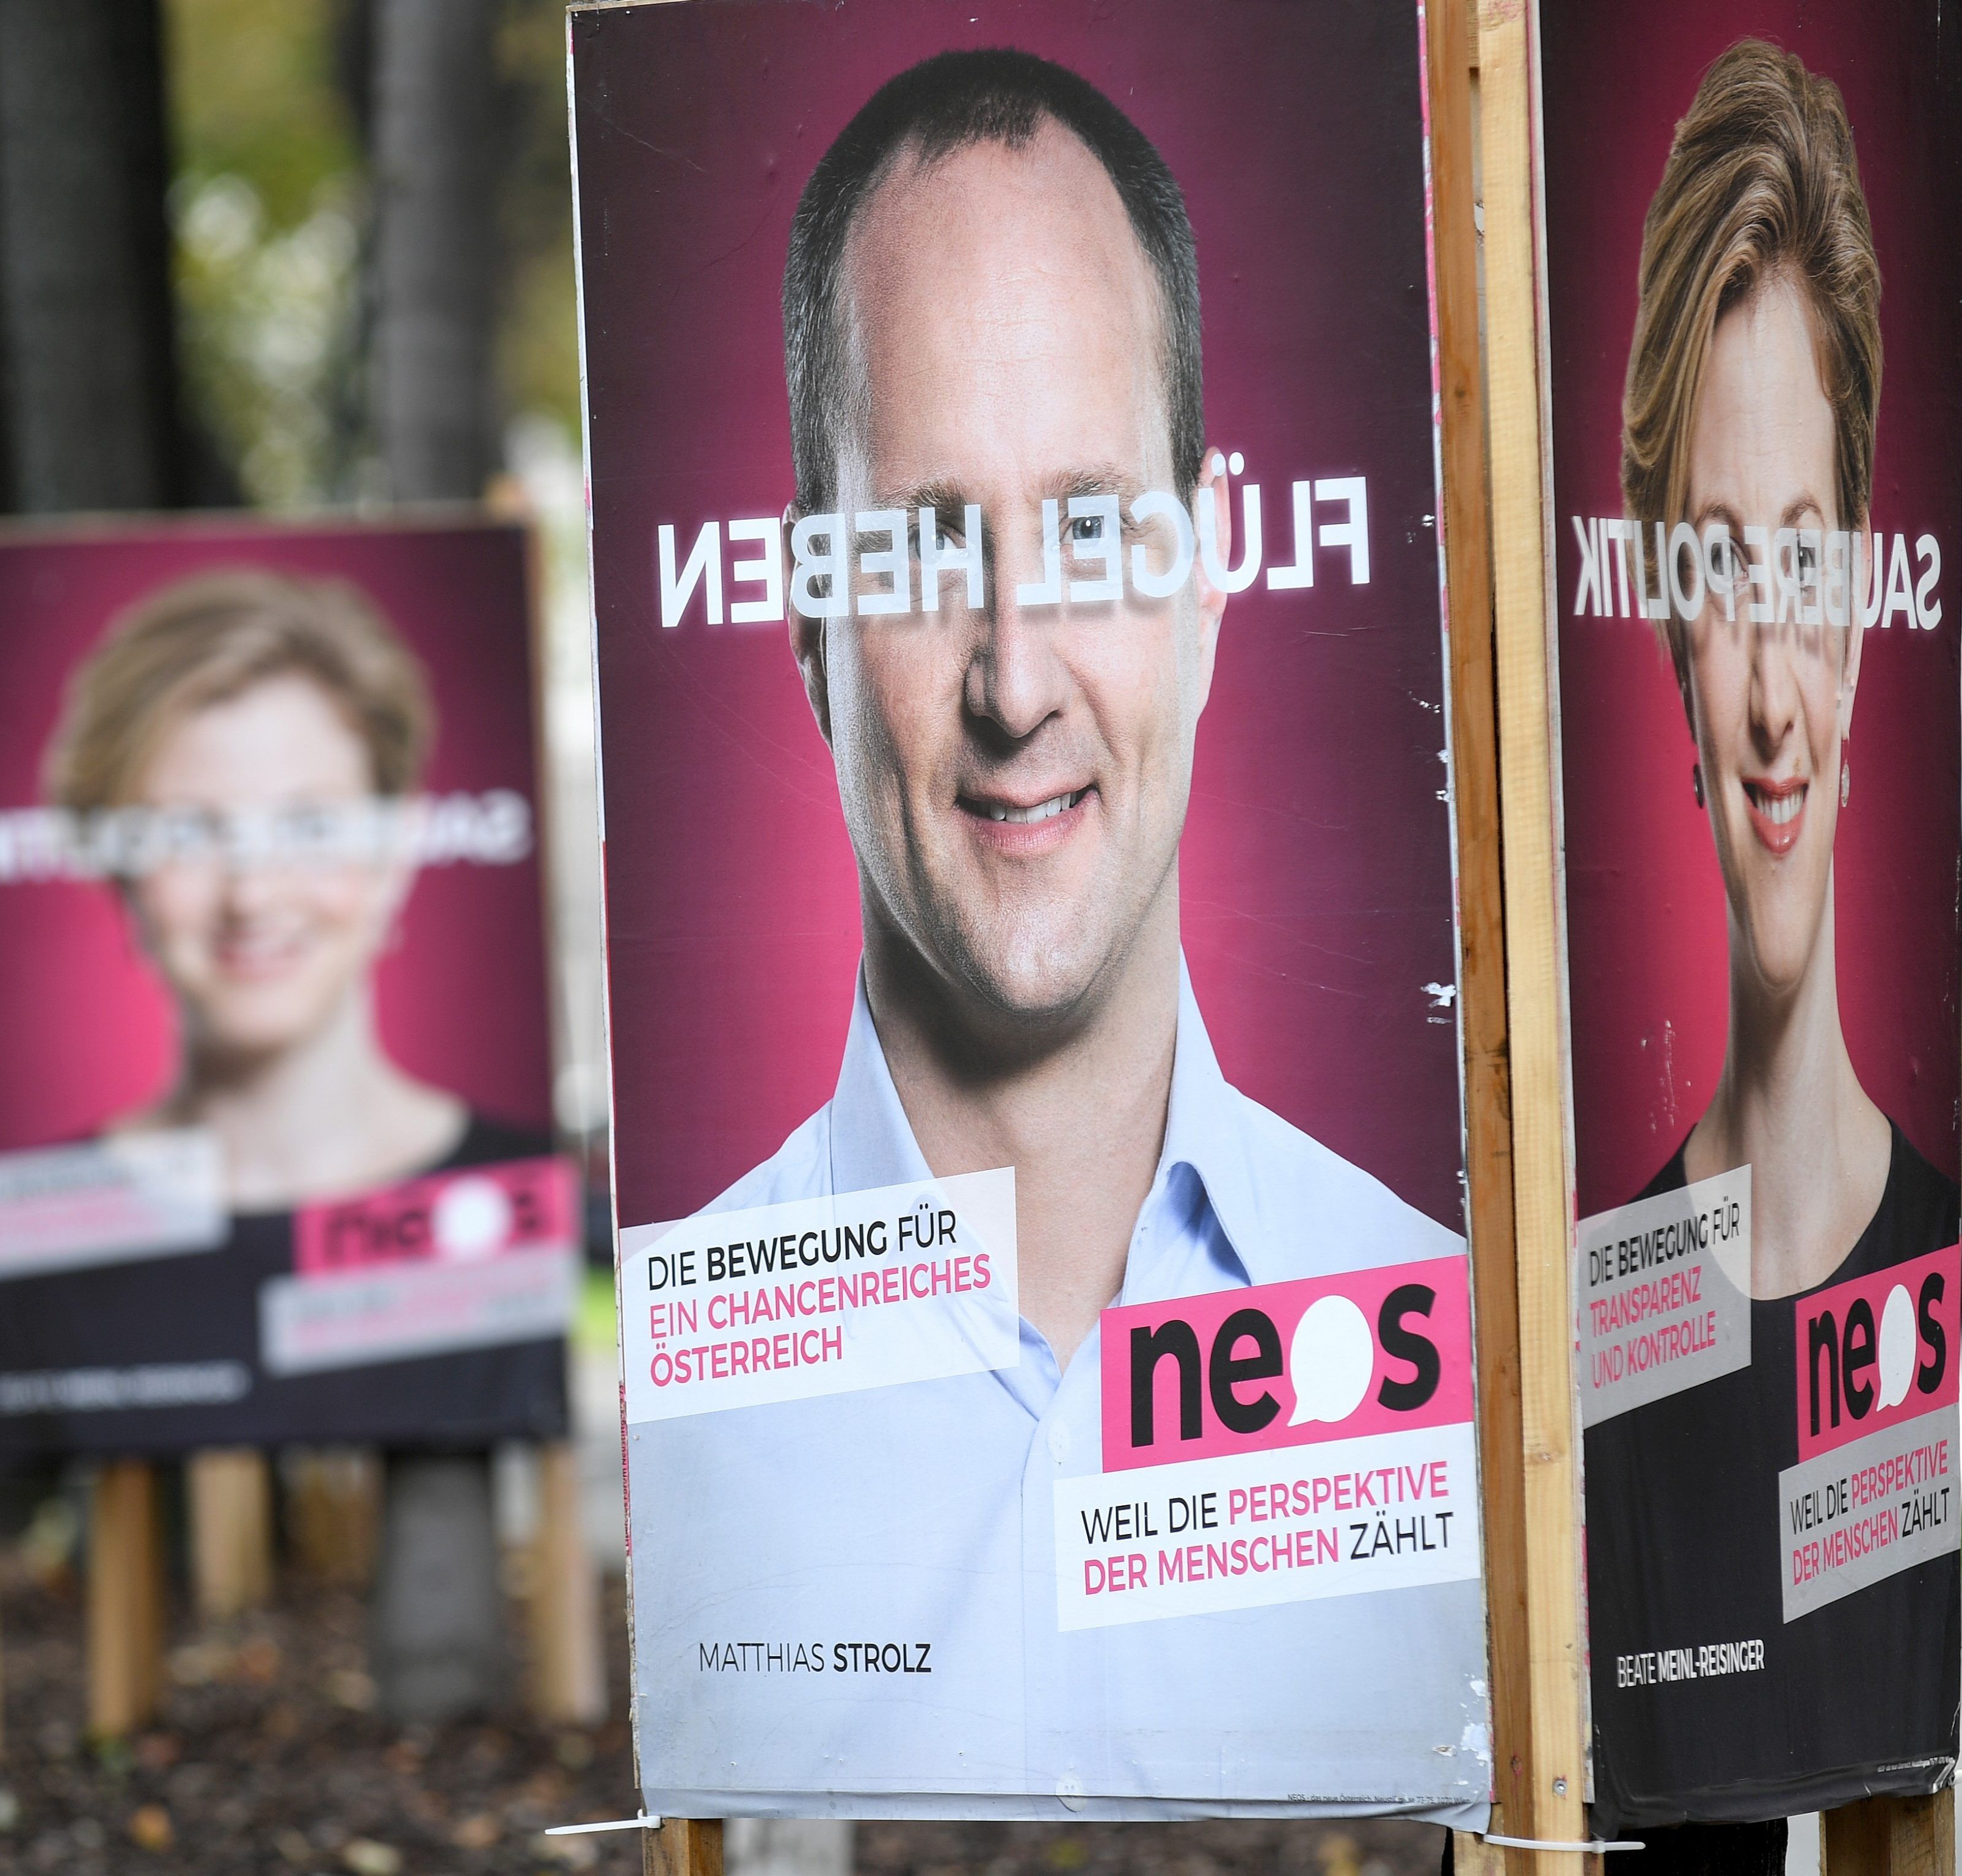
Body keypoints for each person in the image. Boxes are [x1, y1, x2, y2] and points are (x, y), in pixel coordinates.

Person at [626, 49, 1478, 1820]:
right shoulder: (671, 1422)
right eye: (930, 552)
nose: (1017, 680)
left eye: (1092, 531)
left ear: (1211, 571)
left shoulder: (1467, 1374)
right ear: (805, 614)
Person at [1584, 40, 1958, 1867]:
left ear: (1872, 607)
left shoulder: (1920, 1253)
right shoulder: (1619, 1280)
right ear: (1662, 628)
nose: (1770, 695)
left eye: (1802, 562)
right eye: (1718, 571)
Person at [48, 567, 537, 1209]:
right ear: (120, 871)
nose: (251, 896)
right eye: (190, 832)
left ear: (397, 849)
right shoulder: (26, 1247)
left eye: (308, 826)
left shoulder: (535, 1191)